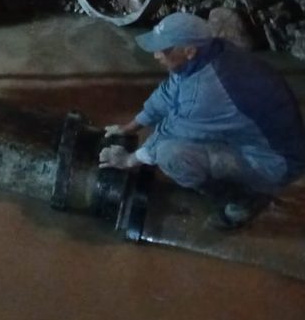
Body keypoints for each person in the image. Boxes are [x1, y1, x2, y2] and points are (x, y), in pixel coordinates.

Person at [99, 12, 305, 229]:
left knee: (170, 155)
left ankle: (245, 200)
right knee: (169, 143)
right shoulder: (207, 54)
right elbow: (167, 94)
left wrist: (129, 160)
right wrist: (129, 127)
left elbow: (171, 132)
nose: (156, 55)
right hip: (260, 140)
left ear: (189, 51)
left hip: (275, 163)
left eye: (164, 49)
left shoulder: (209, 90)